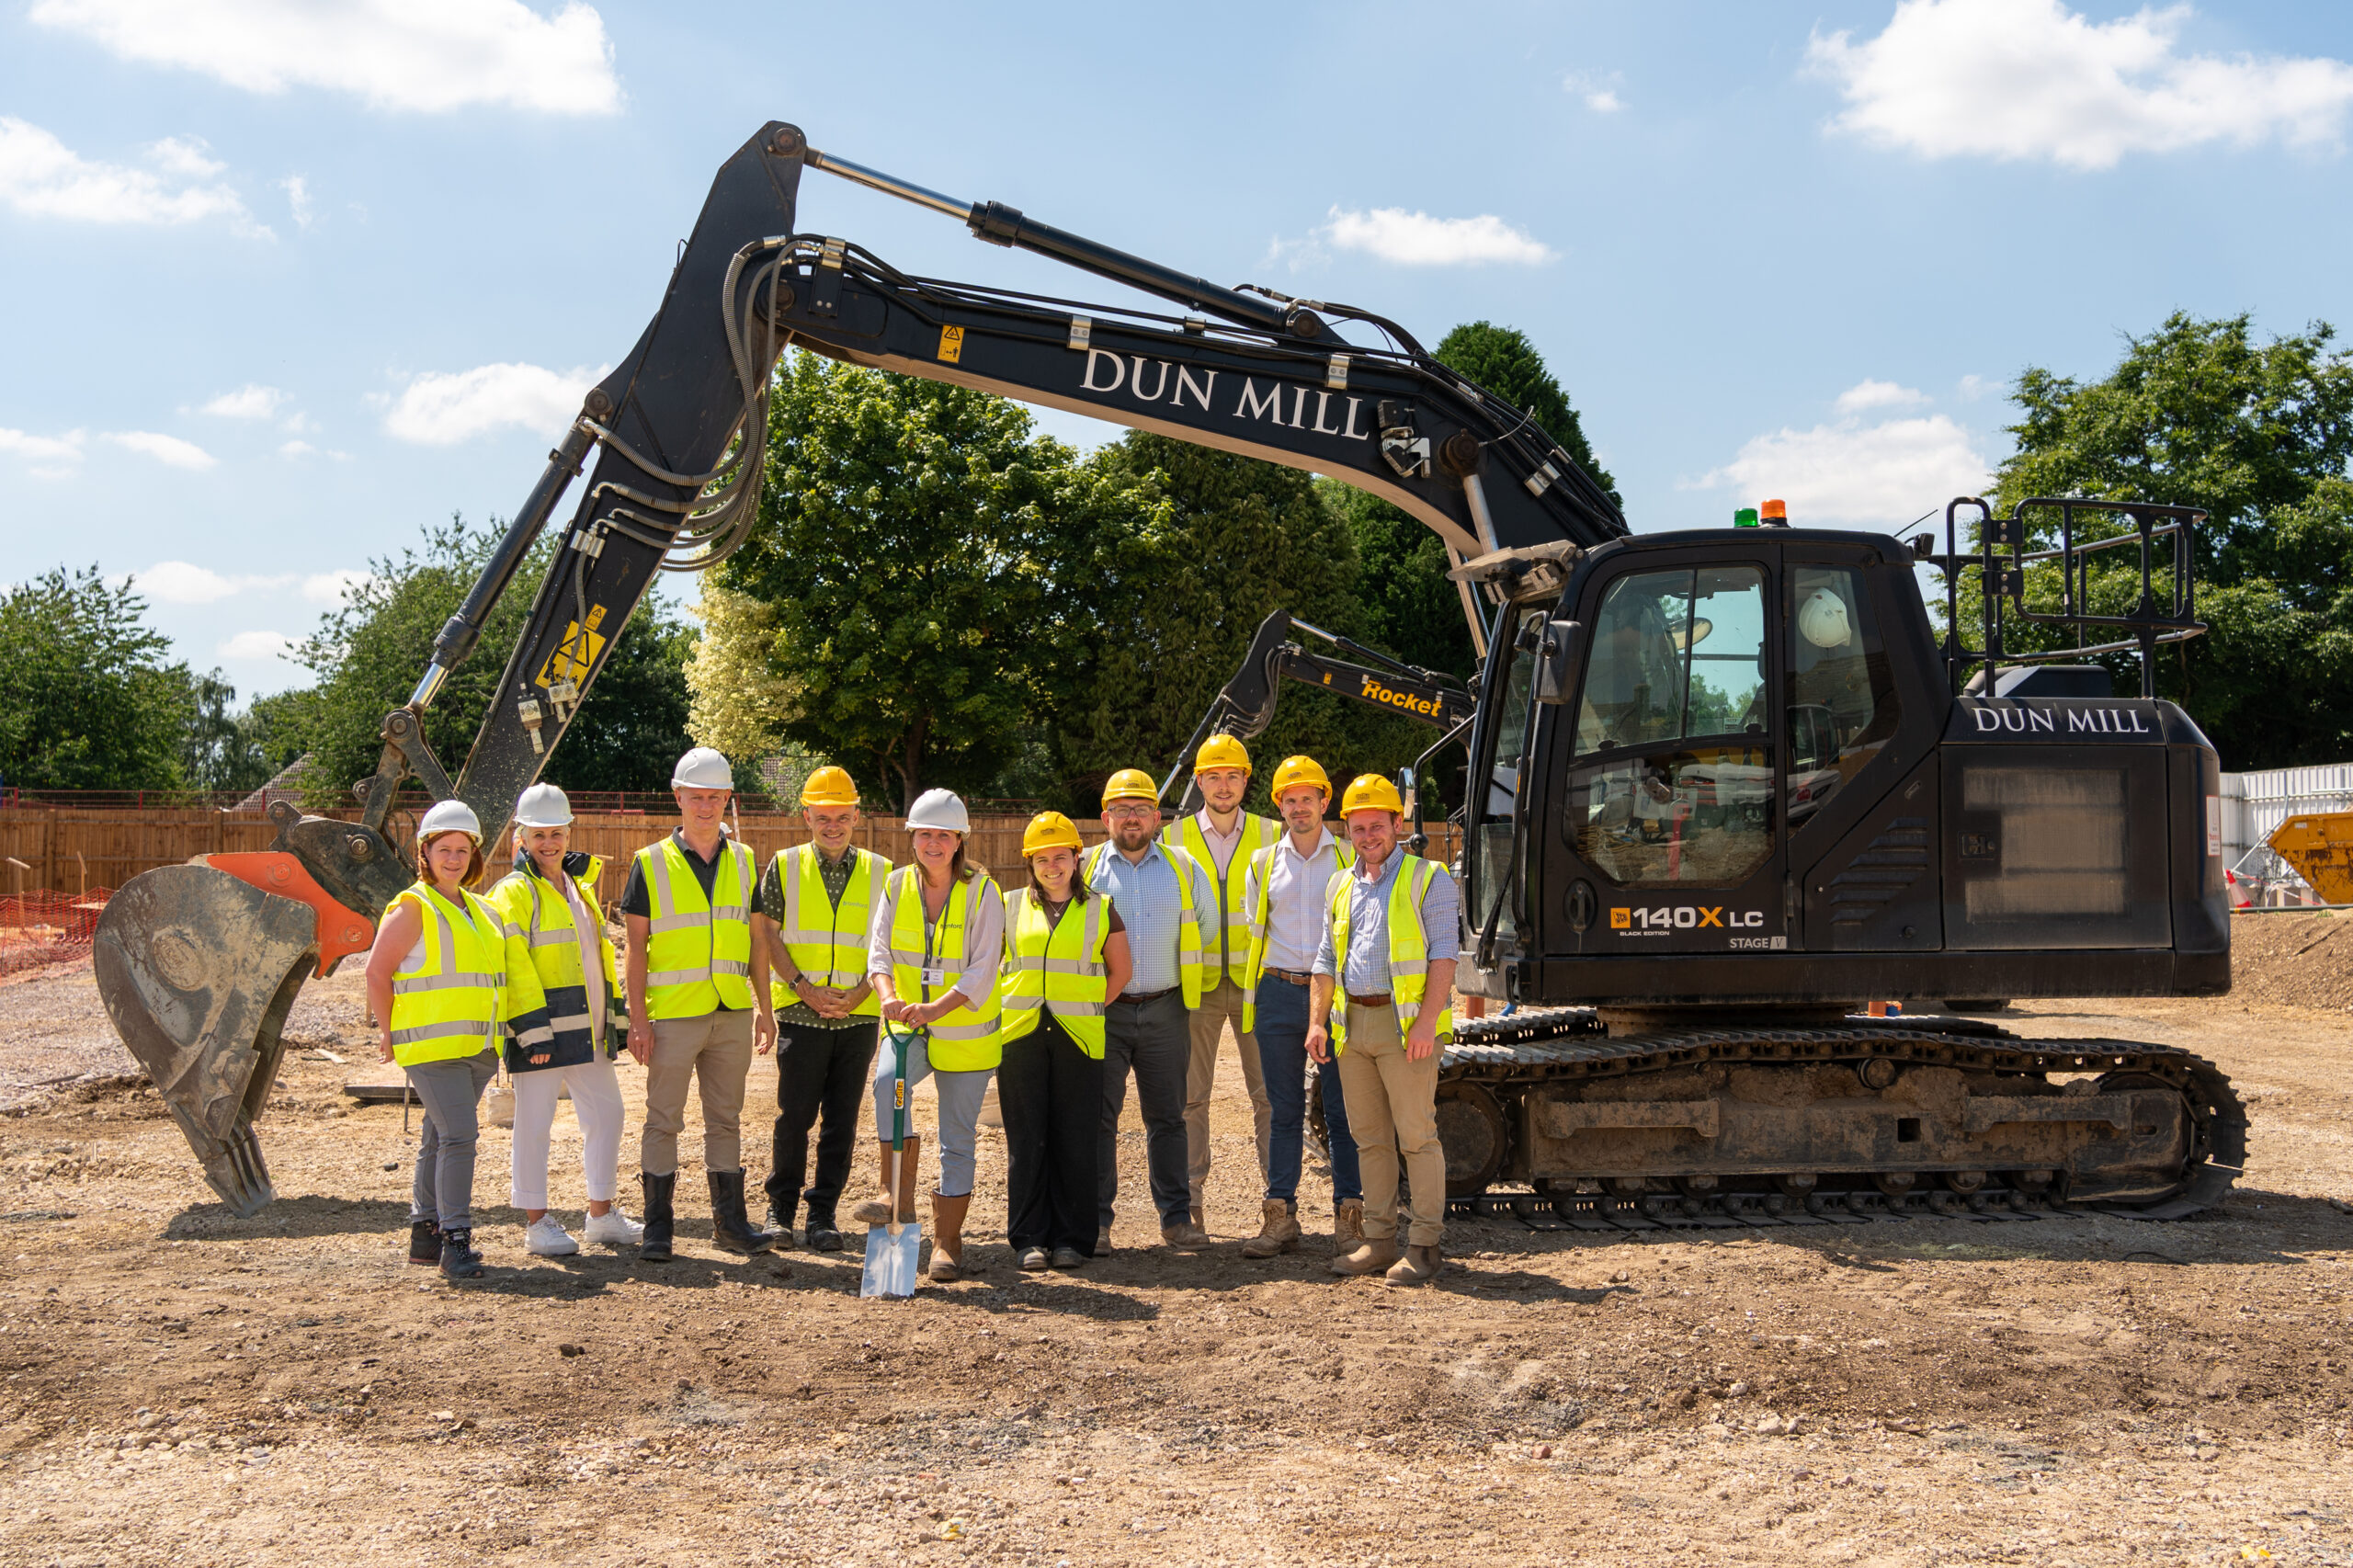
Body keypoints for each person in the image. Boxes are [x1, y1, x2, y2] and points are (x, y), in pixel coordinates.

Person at [620, 746, 776, 1263]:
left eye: (714, 797)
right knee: (663, 1119)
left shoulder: (745, 860)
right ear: (678, 797)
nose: (705, 806)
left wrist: (765, 1008)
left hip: (730, 1013)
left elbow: (756, 941)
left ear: (727, 798)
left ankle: (730, 1225)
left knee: (726, 1118)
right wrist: (638, 1020)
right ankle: (658, 1228)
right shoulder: (649, 863)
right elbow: (635, 949)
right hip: (673, 1015)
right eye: (696, 797)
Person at [1307, 774, 1460, 1287]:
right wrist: (1317, 1022)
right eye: (1358, 827)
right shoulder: (1340, 884)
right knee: (1369, 1140)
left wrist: (1425, 1023)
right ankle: (1378, 1241)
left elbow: (1445, 955)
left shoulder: (1428, 877)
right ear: (1347, 830)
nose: (1367, 835)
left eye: (1377, 825)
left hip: (1405, 1027)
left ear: (1397, 823)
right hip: (1354, 1028)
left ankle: (1425, 1246)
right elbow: (1325, 958)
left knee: (1416, 1137)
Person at [857, 788, 1004, 1283]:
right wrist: (887, 996)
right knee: (887, 1083)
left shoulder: (984, 891)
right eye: (925, 834)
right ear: (912, 838)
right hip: (907, 1024)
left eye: (944, 835)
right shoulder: (896, 884)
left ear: (960, 840)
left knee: (956, 1138)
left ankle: (947, 1242)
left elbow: (983, 968)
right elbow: (878, 953)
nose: (933, 843)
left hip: (964, 1033)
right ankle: (894, 1197)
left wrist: (934, 1009)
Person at [488, 782, 642, 1256]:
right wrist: (532, 1032)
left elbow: (596, 958)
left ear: (569, 833)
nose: (549, 843)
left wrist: (615, 1019)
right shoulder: (514, 892)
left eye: (556, 833)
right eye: (539, 835)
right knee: (534, 1124)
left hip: (586, 1029)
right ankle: (537, 1225)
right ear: (520, 838)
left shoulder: (578, 886)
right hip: (541, 1032)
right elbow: (514, 966)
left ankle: (601, 1216)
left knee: (608, 1114)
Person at [365, 799, 505, 1281]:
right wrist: (388, 1032)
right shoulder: (414, 906)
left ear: (474, 854)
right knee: (460, 1137)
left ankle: (424, 1234)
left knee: (438, 1135)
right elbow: (376, 972)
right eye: (444, 849)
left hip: (478, 1049)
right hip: (432, 1048)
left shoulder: (481, 909)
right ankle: (455, 1241)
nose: (453, 859)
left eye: (462, 850)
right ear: (424, 852)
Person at [753, 765, 890, 1252]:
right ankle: (780, 1212)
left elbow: (889, 943)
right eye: (823, 817)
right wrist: (803, 987)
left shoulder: (883, 872)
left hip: (858, 1014)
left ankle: (822, 1215)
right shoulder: (785, 865)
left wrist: (860, 994)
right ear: (807, 816)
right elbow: (768, 933)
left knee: (841, 1121)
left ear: (856, 816)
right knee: (794, 1116)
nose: (833, 826)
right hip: (800, 1012)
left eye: (842, 816)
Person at [1236, 756, 1361, 1259]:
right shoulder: (1263, 863)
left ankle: (1349, 1221)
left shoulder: (1350, 857)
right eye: (1289, 800)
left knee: (1343, 1110)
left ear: (1324, 802)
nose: (1298, 807)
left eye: (1307, 798)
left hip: (1336, 996)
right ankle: (1280, 1218)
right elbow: (1256, 924)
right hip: (1279, 992)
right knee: (1282, 1109)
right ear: (1280, 806)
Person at [1085, 768, 1213, 1254]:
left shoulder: (1183, 867)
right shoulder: (1086, 868)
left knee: (1168, 1118)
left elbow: (1205, 926)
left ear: (1157, 818)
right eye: (1121, 810)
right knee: (1100, 1118)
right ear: (1106, 818)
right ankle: (1096, 1223)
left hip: (1166, 1011)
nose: (1132, 818)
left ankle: (1177, 1220)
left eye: (1140, 809)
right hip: (1104, 1012)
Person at [999, 811, 1131, 1269]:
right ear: (1030, 863)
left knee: (1076, 1139)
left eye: (1060, 856)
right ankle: (1029, 1239)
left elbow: (1121, 972)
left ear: (1077, 858)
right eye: (1042, 859)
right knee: (1026, 1140)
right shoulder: (1009, 906)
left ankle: (1073, 1239)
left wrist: (1088, 1005)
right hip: (1020, 1035)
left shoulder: (1101, 907)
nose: (1052, 866)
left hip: (1079, 1037)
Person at [1161, 733, 1281, 1233]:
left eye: (1233, 776)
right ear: (1199, 781)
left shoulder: (1275, 834)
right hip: (1198, 987)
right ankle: (1189, 1205)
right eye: (1214, 776)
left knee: (1270, 1098)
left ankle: (1279, 1204)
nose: (1224, 786)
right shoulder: (1172, 839)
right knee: (1191, 1098)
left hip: (1260, 985)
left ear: (1246, 780)